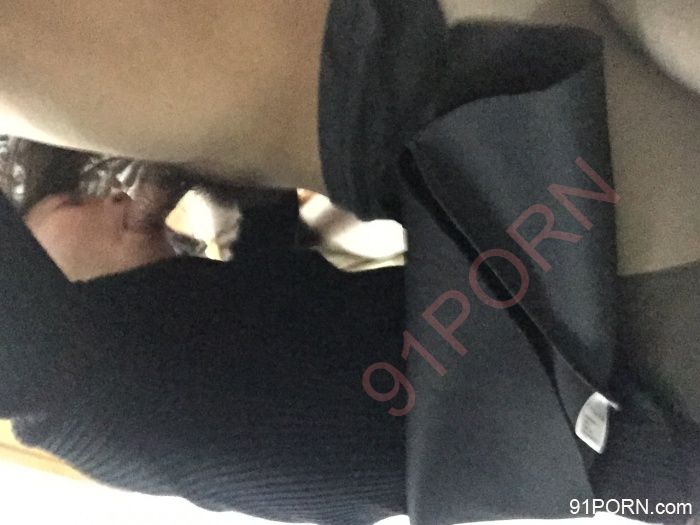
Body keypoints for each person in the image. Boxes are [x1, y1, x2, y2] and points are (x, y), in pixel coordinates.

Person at [0, 1, 698, 524]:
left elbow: (268, 251)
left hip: (588, 397)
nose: (106, 198)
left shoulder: (164, 362)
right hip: (613, 386)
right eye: (70, 202)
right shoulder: (87, 403)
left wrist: (189, 178)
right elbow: (26, 356)